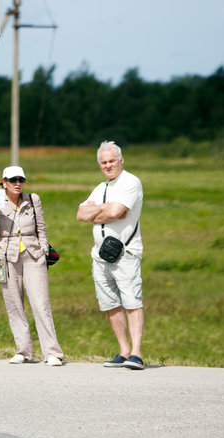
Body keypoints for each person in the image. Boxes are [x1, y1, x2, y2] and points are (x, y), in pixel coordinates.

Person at [0, 166, 64, 366]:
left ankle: (52, 352)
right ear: (4, 182)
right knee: (14, 305)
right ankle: (24, 351)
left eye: (21, 179)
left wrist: (43, 249)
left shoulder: (32, 199)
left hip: (33, 254)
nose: (18, 183)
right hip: (4, 256)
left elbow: (42, 228)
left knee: (41, 304)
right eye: (13, 180)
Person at [76, 141, 145, 370]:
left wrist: (101, 211)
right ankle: (124, 351)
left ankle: (136, 353)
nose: (108, 166)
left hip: (125, 253)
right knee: (110, 304)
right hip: (100, 256)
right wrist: (105, 210)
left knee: (132, 302)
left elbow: (116, 212)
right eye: (104, 162)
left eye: (112, 161)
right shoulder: (101, 187)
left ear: (121, 160)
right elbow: (80, 214)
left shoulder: (131, 182)